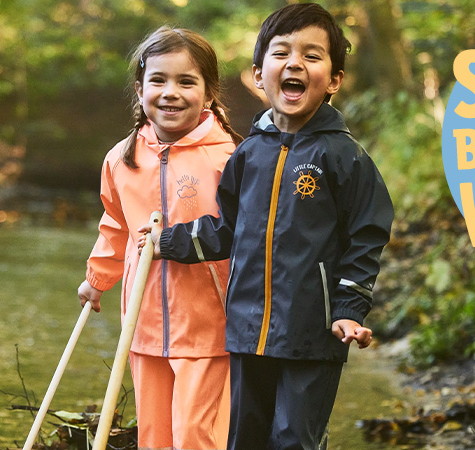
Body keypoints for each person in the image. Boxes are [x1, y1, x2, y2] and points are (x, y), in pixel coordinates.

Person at [140, 4, 395, 449]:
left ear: (334, 79)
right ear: (260, 75)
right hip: (245, 330)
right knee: (246, 438)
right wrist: (168, 241)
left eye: (312, 56)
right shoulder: (248, 154)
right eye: (282, 53)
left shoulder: (344, 157)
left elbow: (367, 233)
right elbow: (226, 229)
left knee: (294, 439)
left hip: (312, 334)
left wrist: (349, 310)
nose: (295, 63)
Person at [77, 26, 244, 450]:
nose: (171, 92)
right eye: (159, 80)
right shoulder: (122, 157)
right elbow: (115, 224)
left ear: (208, 94)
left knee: (196, 436)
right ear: (140, 88)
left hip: (209, 324)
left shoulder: (229, 158)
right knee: (155, 437)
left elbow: (246, 234)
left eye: (186, 82)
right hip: (142, 321)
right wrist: (97, 279)